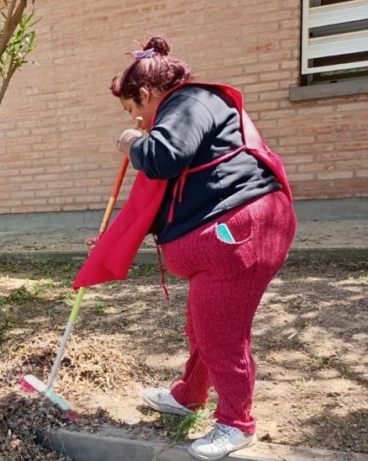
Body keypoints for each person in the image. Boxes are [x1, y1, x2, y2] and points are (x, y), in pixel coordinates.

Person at [97, 36, 297, 460]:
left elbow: (164, 156)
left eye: (134, 110)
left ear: (147, 94)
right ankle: (188, 395)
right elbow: (168, 195)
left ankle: (236, 423)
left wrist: (132, 144)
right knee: (203, 325)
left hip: (236, 234)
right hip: (227, 236)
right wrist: (111, 240)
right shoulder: (191, 112)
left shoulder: (189, 103)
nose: (139, 121)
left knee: (222, 336)